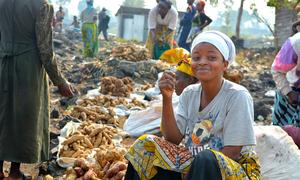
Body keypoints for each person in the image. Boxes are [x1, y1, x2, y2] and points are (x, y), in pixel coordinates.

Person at [125, 31, 260, 180]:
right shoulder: (190, 93)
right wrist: (167, 98)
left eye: (212, 57)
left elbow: (233, 152)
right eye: (196, 57)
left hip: (233, 170)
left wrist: (193, 170)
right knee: (146, 144)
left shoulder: (237, 96)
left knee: (206, 158)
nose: (202, 62)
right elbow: (172, 139)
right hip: (195, 165)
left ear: (225, 64)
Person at [0, 0, 74, 179]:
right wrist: (60, 81)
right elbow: (45, 48)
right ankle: (15, 172)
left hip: (2, 63)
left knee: (3, 116)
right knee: (24, 119)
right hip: (28, 68)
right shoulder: (41, 5)